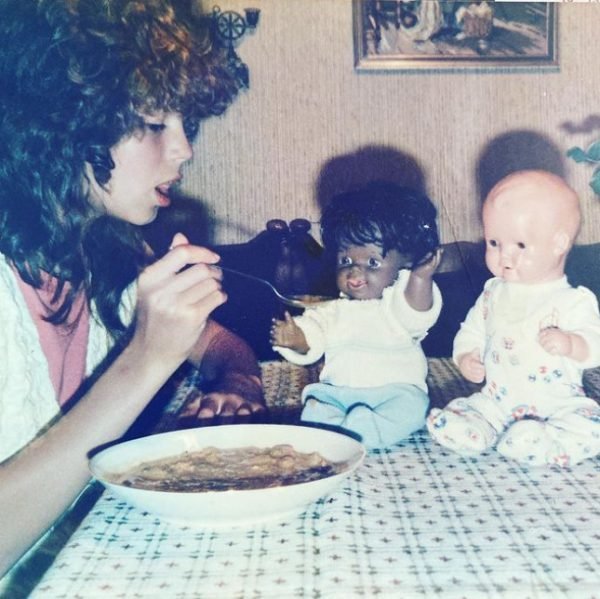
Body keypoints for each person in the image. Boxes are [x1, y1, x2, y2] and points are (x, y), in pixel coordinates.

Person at [0, 0, 265, 576]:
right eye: (153, 123)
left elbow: (219, 344)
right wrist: (147, 358)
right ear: (62, 123)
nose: (185, 149)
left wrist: (235, 380)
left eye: (184, 122)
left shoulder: (99, 247)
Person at [427, 170, 600, 467]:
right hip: (497, 400)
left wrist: (572, 344)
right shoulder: (492, 294)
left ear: (559, 243)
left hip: (558, 405)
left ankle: (541, 440)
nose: (504, 256)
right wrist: (467, 356)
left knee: (590, 425)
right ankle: (478, 429)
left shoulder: (573, 301)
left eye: (519, 245)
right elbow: (471, 332)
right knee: (470, 411)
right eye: (494, 243)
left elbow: (594, 346)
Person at [270, 182, 442, 449]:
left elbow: (416, 316)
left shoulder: (397, 303)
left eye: (372, 263)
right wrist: (296, 338)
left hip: (394, 394)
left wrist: (421, 278)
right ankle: (350, 426)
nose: (354, 273)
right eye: (346, 261)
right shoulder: (331, 308)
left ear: (405, 263)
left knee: (414, 408)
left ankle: (355, 432)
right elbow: (313, 335)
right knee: (316, 407)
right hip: (338, 393)